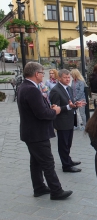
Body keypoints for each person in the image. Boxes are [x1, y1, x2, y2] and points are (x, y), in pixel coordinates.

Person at [17, 62, 72, 200]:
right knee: (48, 163)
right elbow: (41, 113)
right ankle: (56, 190)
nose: (43, 75)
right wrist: (55, 111)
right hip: (37, 133)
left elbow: (37, 108)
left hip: (31, 132)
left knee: (36, 162)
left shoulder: (25, 86)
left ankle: (39, 187)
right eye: (42, 73)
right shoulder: (31, 89)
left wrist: (49, 107)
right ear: (36, 74)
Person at [49, 69, 84, 173]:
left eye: (69, 77)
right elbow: (56, 109)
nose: (68, 79)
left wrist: (75, 104)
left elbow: (70, 103)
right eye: (65, 77)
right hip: (62, 121)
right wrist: (69, 106)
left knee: (68, 143)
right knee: (63, 144)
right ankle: (66, 166)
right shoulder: (55, 90)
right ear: (59, 78)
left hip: (69, 120)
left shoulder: (68, 88)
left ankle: (68, 160)